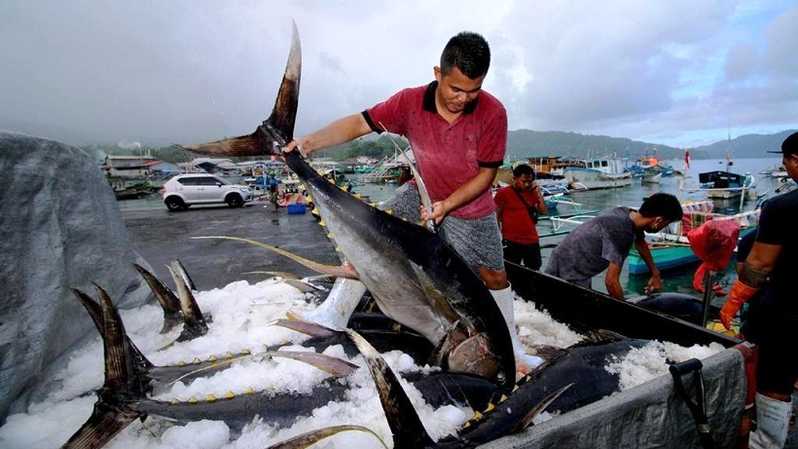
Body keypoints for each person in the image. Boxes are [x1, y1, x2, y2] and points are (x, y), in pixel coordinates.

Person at [284, 32, 540, 372]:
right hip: (420, 193)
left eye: (473, 91)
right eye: (456, 89)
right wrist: (309, 144)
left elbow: (486, 176)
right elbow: (360, 123)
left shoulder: (493, 113)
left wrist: (448, 205)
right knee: (368, 235)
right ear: (438, 73)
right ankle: (334, 313)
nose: (463, 99)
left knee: (494, 275)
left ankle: (511, 347)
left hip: (470, 206)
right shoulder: (409, 102)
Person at [719, 131, 798, 449]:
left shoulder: (783, 207)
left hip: (790, 311)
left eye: (786, 162)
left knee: (774, 383)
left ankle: (766, 442)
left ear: (794, 160)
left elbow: (759, 266)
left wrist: (732, 303)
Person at [544, 193, 683, 299]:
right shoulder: (622, 232)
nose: (664, 227)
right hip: (571, 271)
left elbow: (640, 241)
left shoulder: (627, 213)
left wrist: (655, 273)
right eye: (667, 224)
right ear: (658, 220)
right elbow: (611, 282)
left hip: (566, 256)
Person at [495, 163, 547, 269]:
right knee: (512, 271)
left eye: (530, 181)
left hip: (532, 240)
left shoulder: (532, 192)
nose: (527, 184)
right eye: (524, 181)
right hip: (511, 241)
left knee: (535, 269)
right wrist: (497, 239)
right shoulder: (503, 193)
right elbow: (496, 216)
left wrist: (538, 193)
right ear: (515, 178)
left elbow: (543, 211)